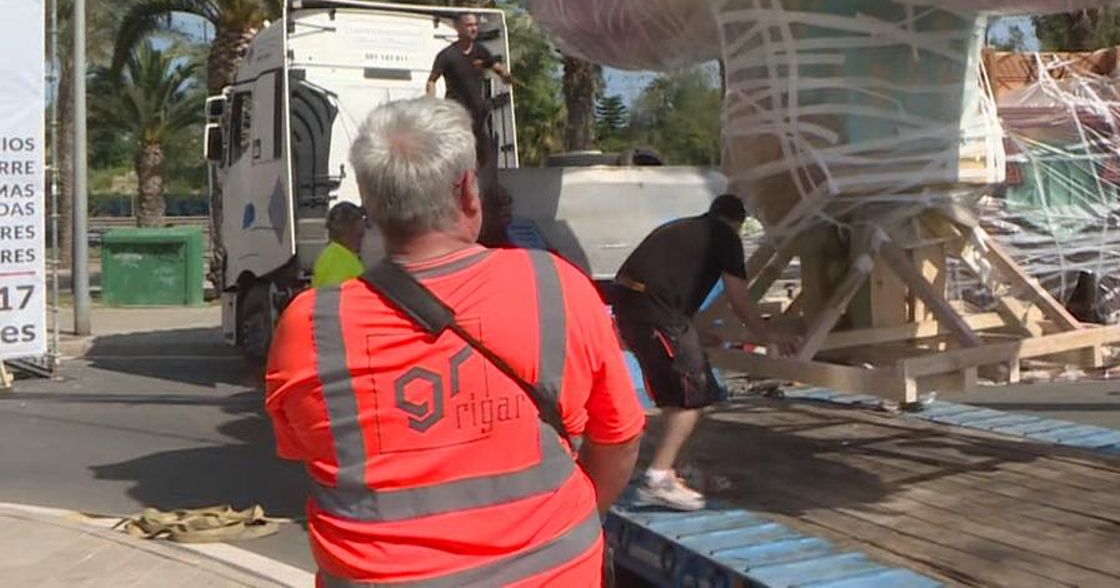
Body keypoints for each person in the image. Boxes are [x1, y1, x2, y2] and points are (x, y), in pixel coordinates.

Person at [266, 97, 644, 586]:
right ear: (468, 190)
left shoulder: (308, 327)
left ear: (369, 199)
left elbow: (310, 452)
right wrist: (564, 525)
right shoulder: (556, 285)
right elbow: (618, 438)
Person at [610, 194, 794, 511]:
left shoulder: (687, 229)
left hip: (633, 308)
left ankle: (680, 470)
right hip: (655, 313)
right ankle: (658, 479)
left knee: (679, 394)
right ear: (736, 223)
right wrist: (767, 335)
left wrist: (694, 332)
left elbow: (671, 282)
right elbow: (739, 298)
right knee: (692, 396)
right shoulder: (725, 237)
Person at [427, 11, 511, 166]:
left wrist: (505, 75)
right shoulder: (447, 55)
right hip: (456, 115)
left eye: (476, 25)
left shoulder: (481, 51)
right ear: (458, 28)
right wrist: (431, 103)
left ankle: (483, 186)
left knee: (484, 156)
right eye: (469, 25)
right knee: (458, 156)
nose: (474, 28)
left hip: (478, 115)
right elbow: (432, 80)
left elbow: (497, 68)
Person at [310, 202, 366, 289]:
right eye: (359, 236)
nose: (362, 242)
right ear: (348, 231)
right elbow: (333, 298)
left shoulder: (332, 256)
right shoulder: (338, 261)